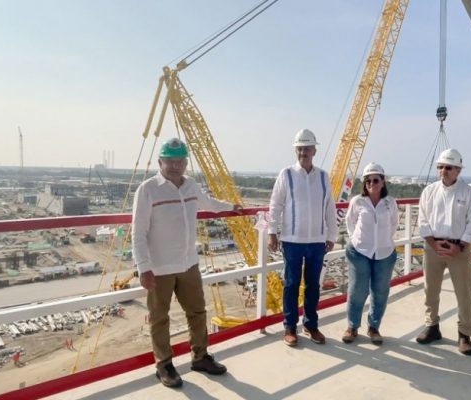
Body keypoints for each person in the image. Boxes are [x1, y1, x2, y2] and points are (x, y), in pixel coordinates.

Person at [132, 137, 241, 388]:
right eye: (169, 161)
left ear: (185, 163)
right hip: (160, 268)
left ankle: (200, 357)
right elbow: (138, 233)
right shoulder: (148, 189)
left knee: (198, 312)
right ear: (160, 162)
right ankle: (164, 364)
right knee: (159, 318)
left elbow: (209, 203)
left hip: (189, 264)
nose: (175, 166)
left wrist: (231, 207)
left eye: (180, 161)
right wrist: (143, 268)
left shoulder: (191, 185)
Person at [268, 128, 337, 347]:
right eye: (299, 149)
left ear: (314, 150)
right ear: (295, 151)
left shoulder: (323, 177)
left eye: (307, 148)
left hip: (317, 241)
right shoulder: (286, 175)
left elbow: (330, 208)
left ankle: (311, 325)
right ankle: (290, 327)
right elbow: (275, 205)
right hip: (292, 241)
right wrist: (272, 232)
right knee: (291, 284)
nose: (303, 152)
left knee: (313, 286)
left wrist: (332, 235)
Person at [416, 148, 471, 355]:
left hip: (459, 249)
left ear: (458, 170)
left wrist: (459, 246)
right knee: (430, 290)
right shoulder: (429, 192)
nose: (444, 171)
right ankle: (432, 326)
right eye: (441, 167)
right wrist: (433, 244)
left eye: (449, 167)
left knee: (464, 292)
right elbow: (423, 220)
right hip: (433, 247)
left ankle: (465, 334)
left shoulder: (469, 193)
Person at [341, 163, 399, 345]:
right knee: (358, 290)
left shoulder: (390, 202)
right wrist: (357, 240)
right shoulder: (357, 201)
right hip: (359, 252)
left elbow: (394, 224)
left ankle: (374, 327)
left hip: (384, 253)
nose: (371, 183)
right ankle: (352, 326)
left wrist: (381, 241)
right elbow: (350, 222)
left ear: (383, 182)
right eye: (368, 181)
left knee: (380, 292)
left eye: (375, 180)